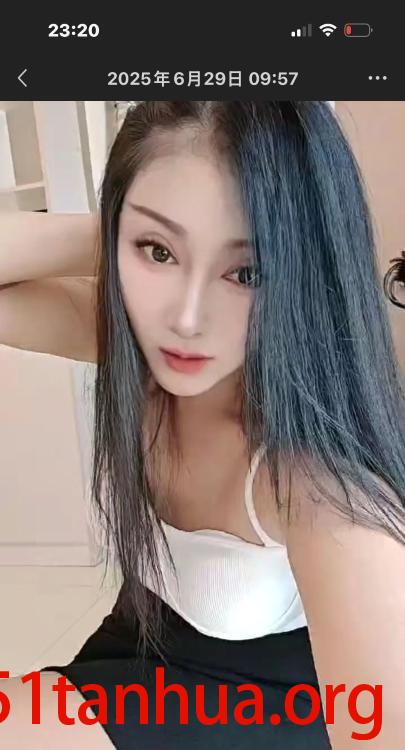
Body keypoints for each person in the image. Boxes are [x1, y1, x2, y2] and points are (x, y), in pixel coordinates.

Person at [0, 100, 404, 749]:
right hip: (141, 642)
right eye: (158, 252)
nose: (187, 318)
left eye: (246, 271)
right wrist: (121, 226)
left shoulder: (320, 482)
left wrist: (154, 236)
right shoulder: (144, 356)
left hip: (259, 705)